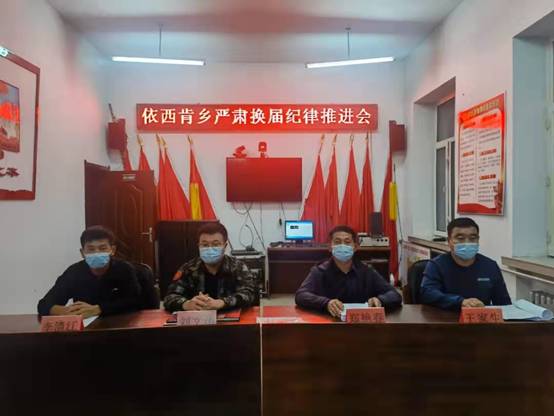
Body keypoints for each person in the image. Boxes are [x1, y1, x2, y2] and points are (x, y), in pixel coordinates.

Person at [295, 225, 402, 318]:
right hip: (329, 323)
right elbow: (301, 295)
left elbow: (395, 295)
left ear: (355, 247)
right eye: (337, 242)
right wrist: (326, 303)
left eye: (347, 242)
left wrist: (380, 300)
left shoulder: (367, 271)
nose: (342, 246)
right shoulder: (319, 271)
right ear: (330, 247)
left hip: (360, 324)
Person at [37, 226, 141, 317]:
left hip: (120, 326)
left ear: (112, 250)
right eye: (91, 249)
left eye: (102, 248)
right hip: (86, 328)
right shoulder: (74, 272)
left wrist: (99, 309)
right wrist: (65, 311)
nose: (97, 253)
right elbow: (43, 305)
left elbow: (136, 301)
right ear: (82, 253)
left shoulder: (124, 269)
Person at [420, 217, 511, 310]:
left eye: (472, 238)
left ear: (478, 240)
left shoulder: (490, 266)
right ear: (449, 241)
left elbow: (504, 303)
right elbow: (427, 294)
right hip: (445, 316)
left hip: (479, 317)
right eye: (460, 238)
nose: (467, 243)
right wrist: (461, 302)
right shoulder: (436, 265)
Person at [164, 222, 257, 312]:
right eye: (205, 245)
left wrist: (222, 303)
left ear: (225, 246)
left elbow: (249, 294)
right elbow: (170, 297)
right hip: (197, 319)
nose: (210, 249)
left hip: (230, 319)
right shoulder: (188, 269)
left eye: (215, 244)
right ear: (198, 246)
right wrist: (187, 304)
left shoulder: (238, 267)